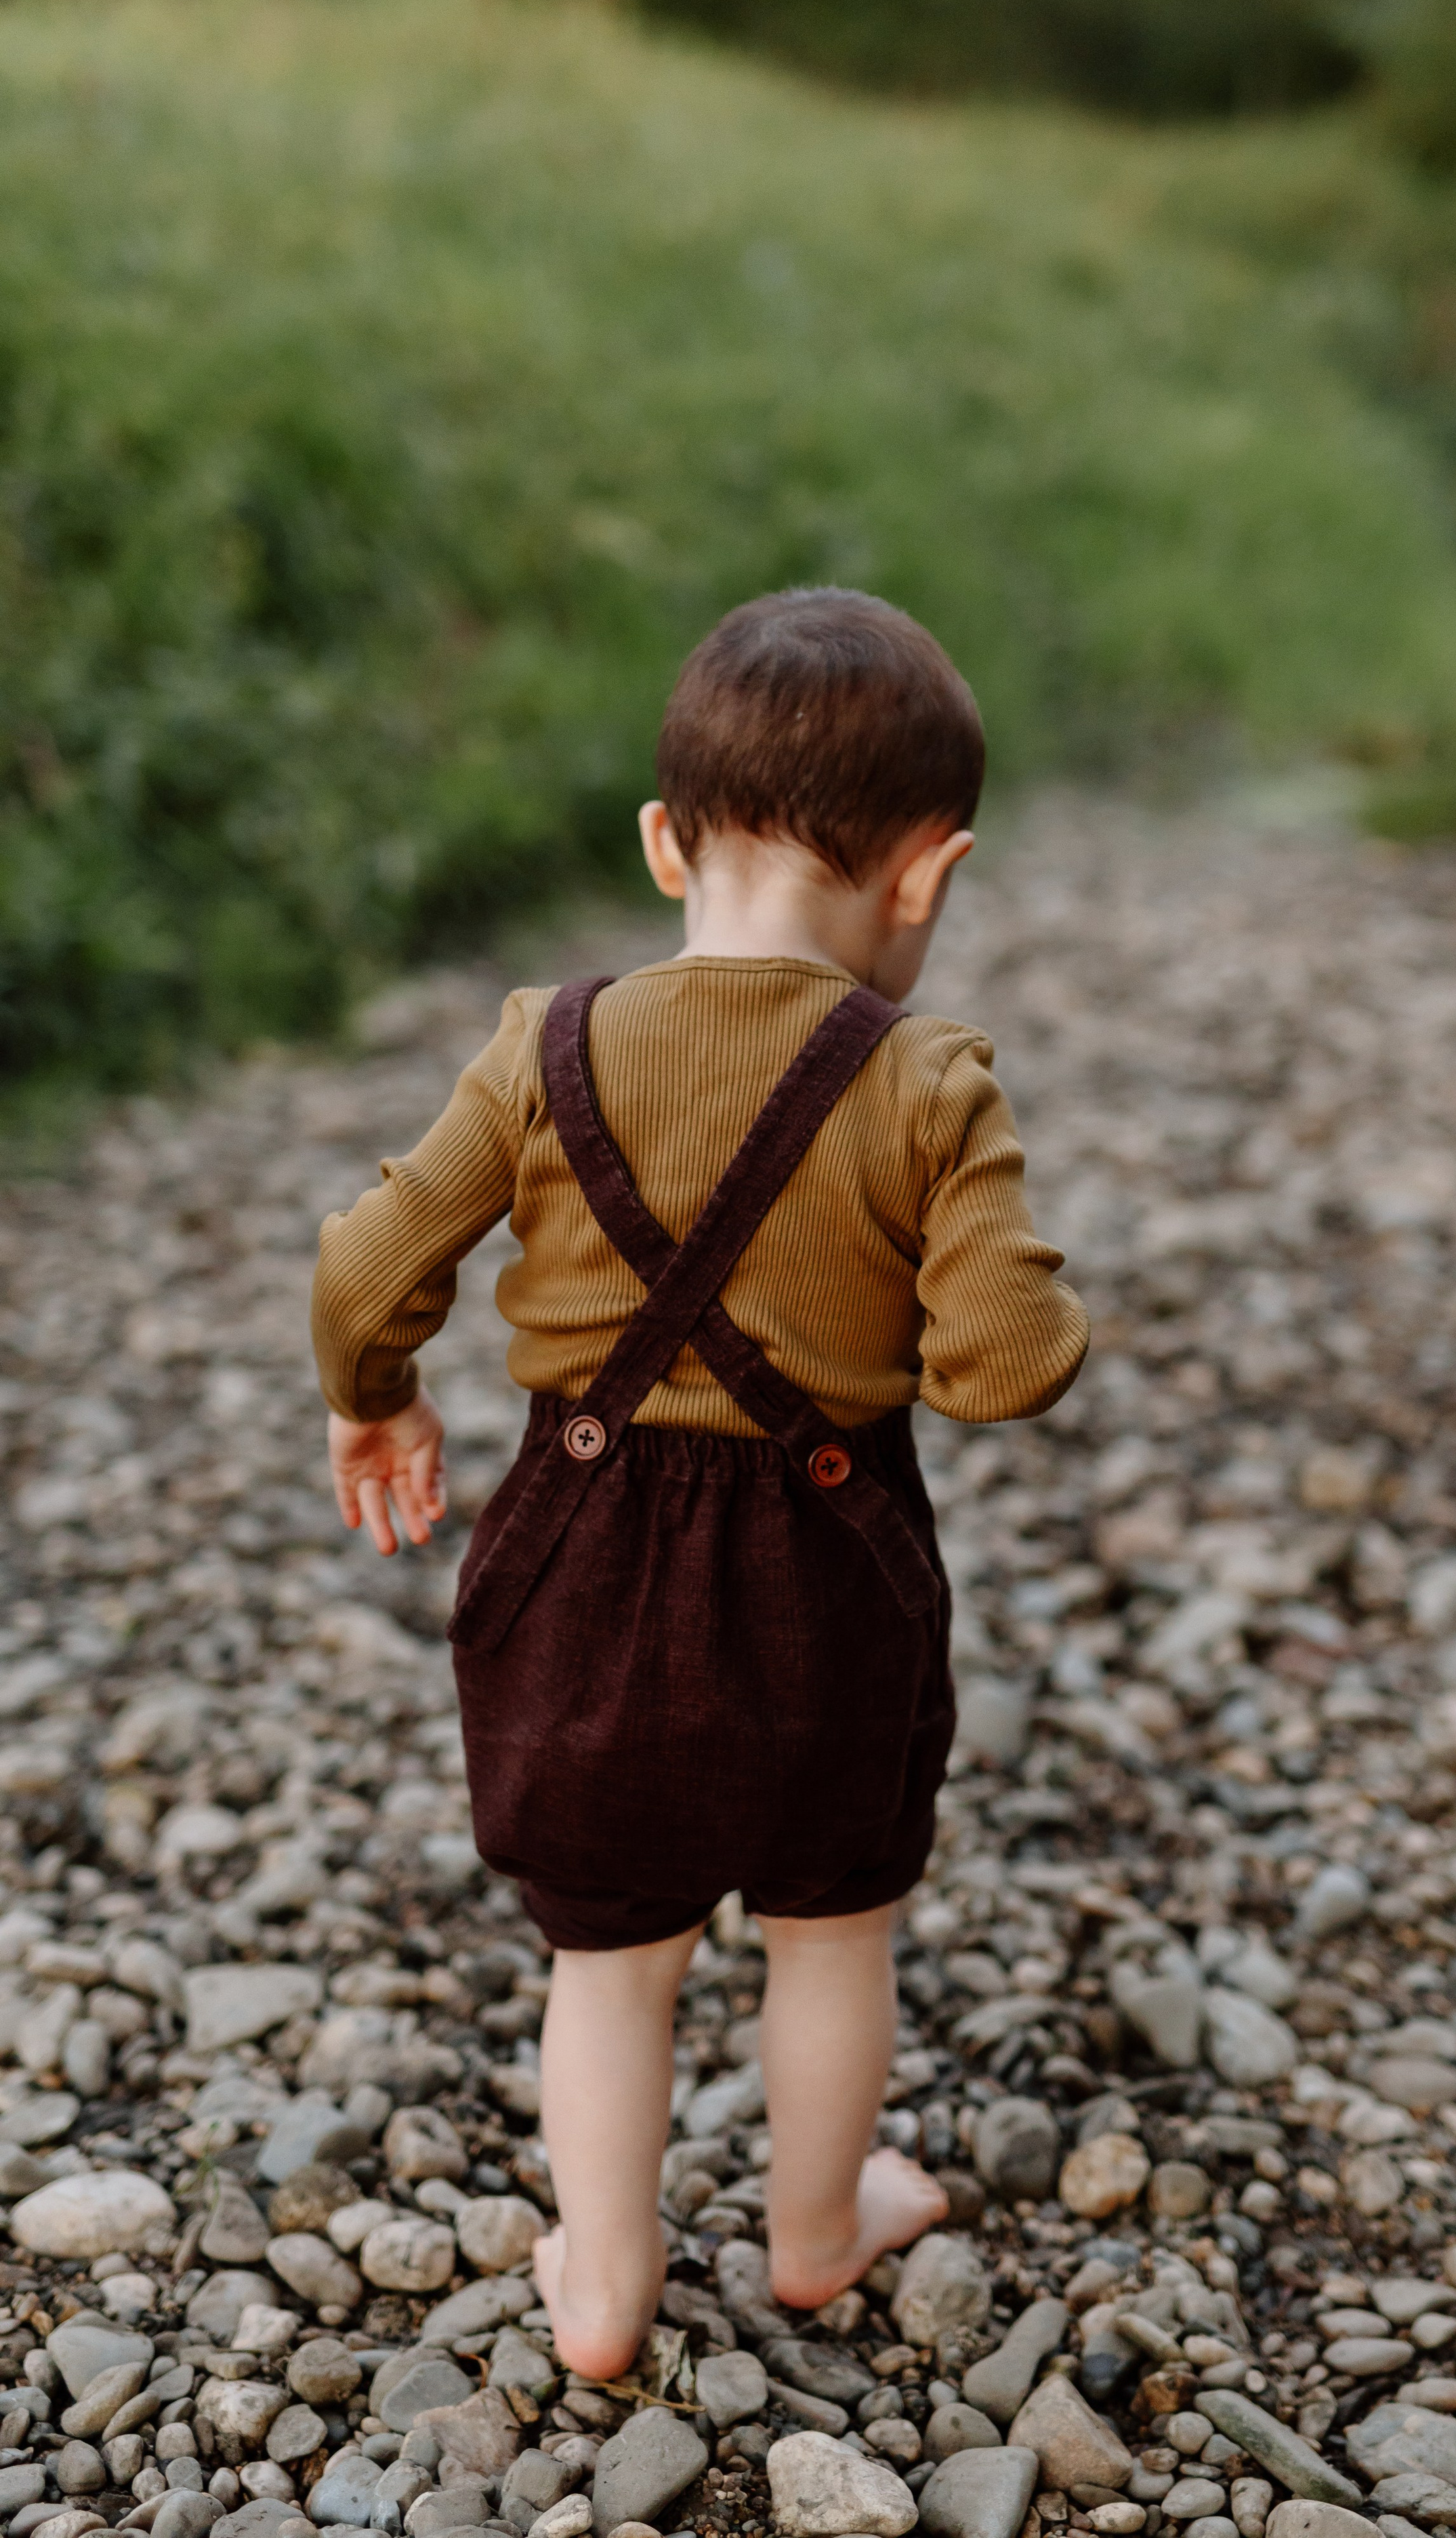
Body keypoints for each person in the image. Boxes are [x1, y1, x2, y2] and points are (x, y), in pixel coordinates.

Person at [311, 587, 1087, 2380]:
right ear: (931, 877)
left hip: (579, 1555)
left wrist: (377, 1400)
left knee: (611, 1953)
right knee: (833, 1927)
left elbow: (366, 1265)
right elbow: (1003, 1366)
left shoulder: (543, 1045)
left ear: (666, 843)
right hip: (832, 1564)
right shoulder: (930, 1081)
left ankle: (601, 2281)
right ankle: (817, 2233)